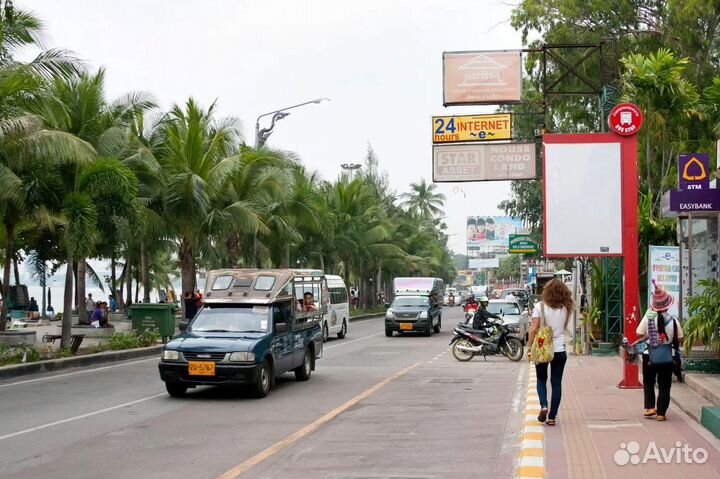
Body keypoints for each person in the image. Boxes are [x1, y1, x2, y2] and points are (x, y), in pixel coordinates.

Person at [635, 281, 684, 421]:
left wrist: (651, 335)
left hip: (649, 356)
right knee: (664, 385)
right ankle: (661, 413)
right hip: (667, 356)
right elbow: (680, 337)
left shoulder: (648, 318)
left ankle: (650, 408)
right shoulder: (674, 321)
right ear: (667, 305)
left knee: (649, 382)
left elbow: (639, 333)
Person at [527, 279, 573, 426]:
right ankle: (552, 417)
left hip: (542, 349)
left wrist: (529, 347)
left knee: (541, 380)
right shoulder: (566, 308)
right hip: (560, 349)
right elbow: (563, 328)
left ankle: (544, 406)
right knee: (556, 383)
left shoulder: (539, 306)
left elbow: (534, 329)